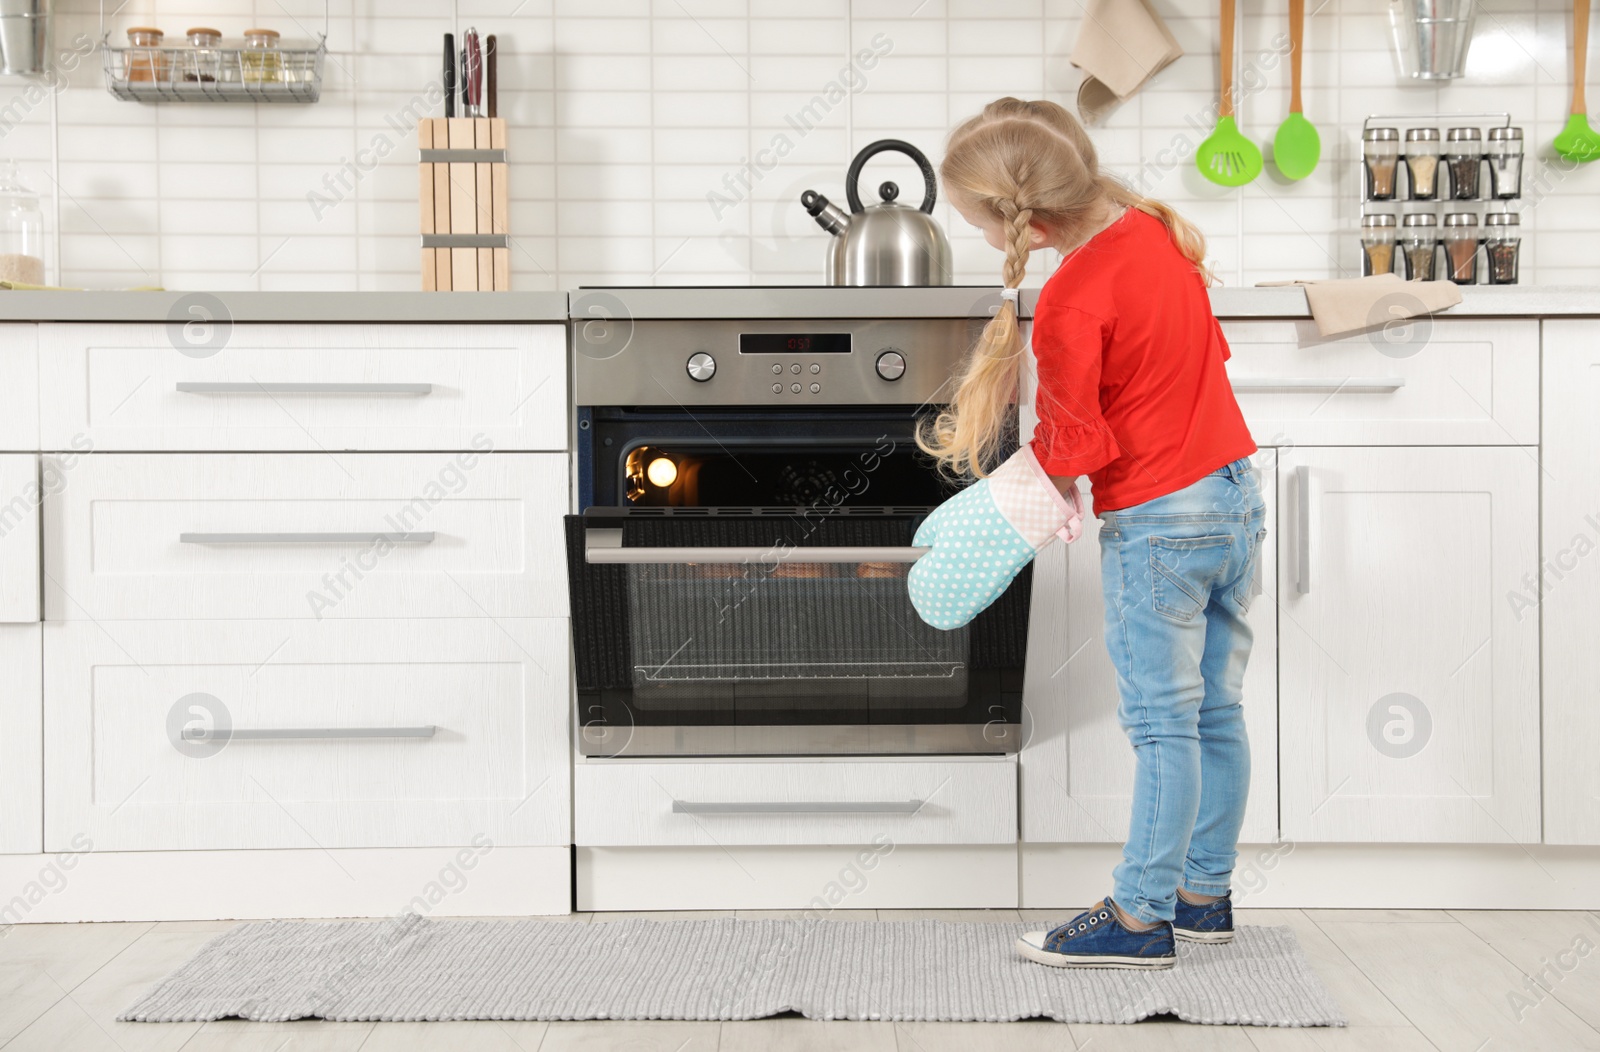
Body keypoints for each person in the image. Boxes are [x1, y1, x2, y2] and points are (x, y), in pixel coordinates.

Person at [916, 97, 1265, 970]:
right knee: (1213, 710)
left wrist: (1004, 513)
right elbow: (1201, 364)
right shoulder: (1156, 232)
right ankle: (1202, 893)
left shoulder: (1073, 292)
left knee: (1161, 723)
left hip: (1160, 524)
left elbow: (1075, 443)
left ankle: (1140, 920)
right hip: (1233, 501)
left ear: (1017, 220)